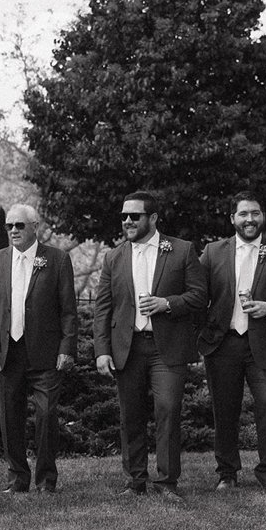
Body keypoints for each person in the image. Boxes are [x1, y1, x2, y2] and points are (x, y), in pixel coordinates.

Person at [94, 191, 206, 500]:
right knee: (130, 414)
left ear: (153, 218)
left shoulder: (181, 251)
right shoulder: (114, 256)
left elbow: (199, 296)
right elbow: (103, 307)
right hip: (127, 348)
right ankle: (135, 481)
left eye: (135, 216)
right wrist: (102, 350)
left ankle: (167, 482)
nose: (127, 221)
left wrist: (167, 303)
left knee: (168, 409)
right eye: (124, 216)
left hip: (165, 347)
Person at [198, 192, 266, 493]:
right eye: (243, 214)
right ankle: (227, 473)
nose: (250, 219)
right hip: (223, 344)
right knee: (225, 410)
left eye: (255, 213)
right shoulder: (213, 252)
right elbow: (197, 297)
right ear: (232, 218)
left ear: (263, 217)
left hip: (264, 344)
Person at [0, 204, 78, 495]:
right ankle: (17, 479)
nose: (13, 230)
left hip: (45, 352)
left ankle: (46, 480)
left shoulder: (57, 259)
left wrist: (67, 348)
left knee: (46, 415)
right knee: (9, 417)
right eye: (9, 226)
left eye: (19, 225)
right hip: (8, 353)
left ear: (34, 227)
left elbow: (68, 310)